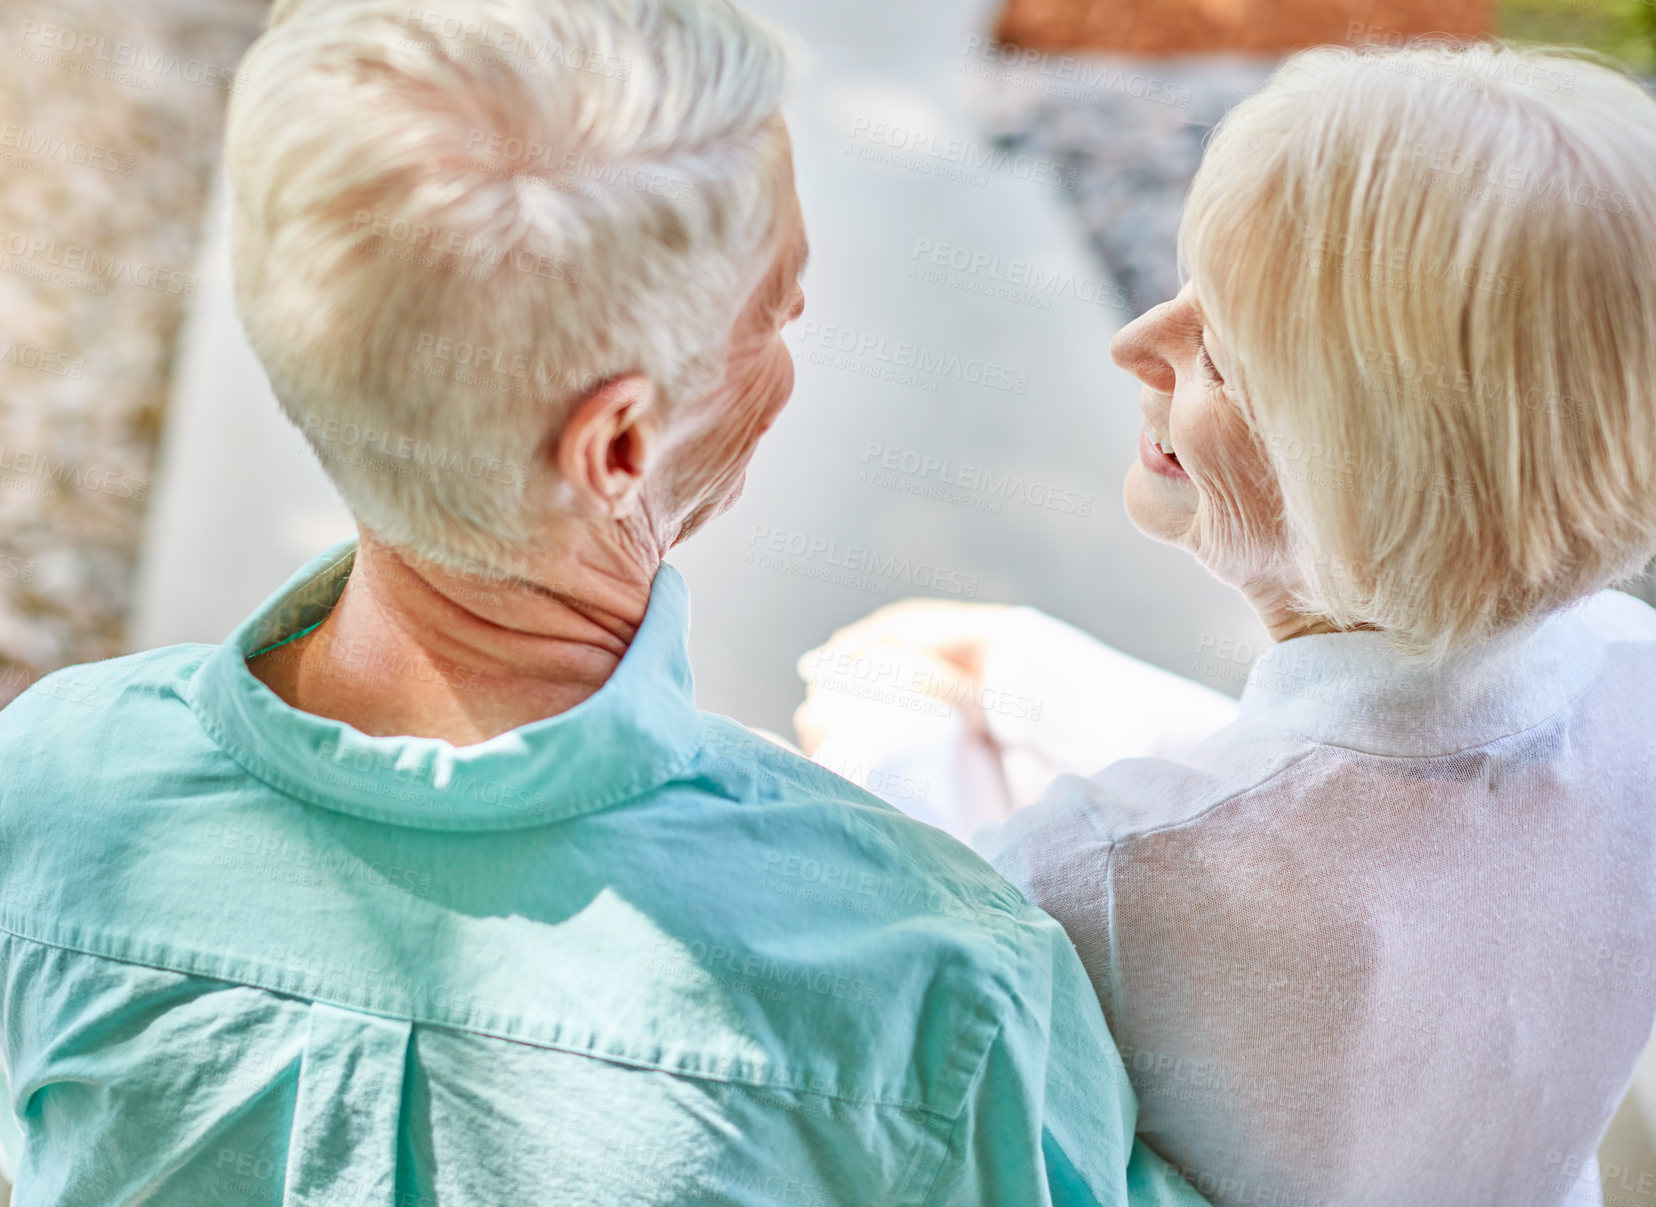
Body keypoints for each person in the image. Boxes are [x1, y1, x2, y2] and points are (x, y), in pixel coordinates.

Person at [0, 0, 1209, 1204]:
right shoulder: (931, 982)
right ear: (620, 445)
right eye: (775, 308)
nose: (791, 336)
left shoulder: (47, 792)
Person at [797, 41, 1656, 1207]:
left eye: (1222, 357)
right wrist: (1028, 668)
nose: (1135, 340)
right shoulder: (1633, 679)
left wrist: (867, 755)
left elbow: (873, 1016)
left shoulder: (1093, 883)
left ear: (1369, 481)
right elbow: (1376, 792)